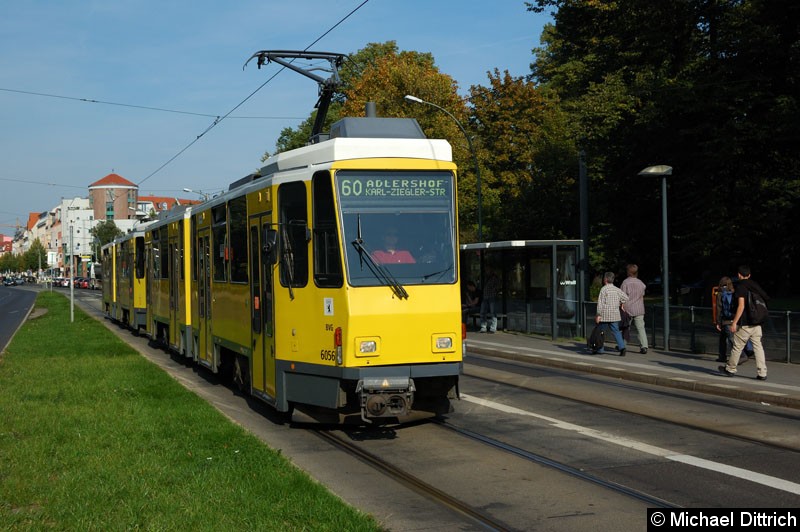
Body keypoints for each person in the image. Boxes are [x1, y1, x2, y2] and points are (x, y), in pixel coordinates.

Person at [719, 265, 769, 380]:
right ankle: (762, 373)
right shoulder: (755, 285)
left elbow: (741, 306)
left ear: (739, 275)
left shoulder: (741, 287)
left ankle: (730, 369)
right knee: (758, 347)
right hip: (757, 322)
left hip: (746, 323)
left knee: (737, 347)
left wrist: (734, 322)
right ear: (749, 275)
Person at [714, 276, 754, 364]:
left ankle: (742, 356)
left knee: (731, 339)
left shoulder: (721, 293)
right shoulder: (734, 292)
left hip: (726, 320)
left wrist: (718, 322)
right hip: (735, 318)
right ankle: (722, 356)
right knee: (724, 337)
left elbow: (719, 308)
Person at [595, 271, 629, 356]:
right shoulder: (617, 289)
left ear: (605, 279)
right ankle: (622, 348)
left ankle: (600, 349)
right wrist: (621, 303)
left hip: (604, 315)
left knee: (601, 332)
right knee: (616, 331)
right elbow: (626, 298)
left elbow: (600, 303)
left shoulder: (603, 289)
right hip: (615, 315)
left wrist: (598, 314)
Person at [620, 264, 649, 354]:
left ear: (628, 272)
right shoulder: (641, 283)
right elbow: (642, 295)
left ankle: (623, 345)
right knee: (641, 328)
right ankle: (644, 346)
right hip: (639, 309)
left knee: (626, 328)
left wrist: (621, 305)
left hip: (628, 309)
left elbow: (622, 296)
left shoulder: (625, 282)